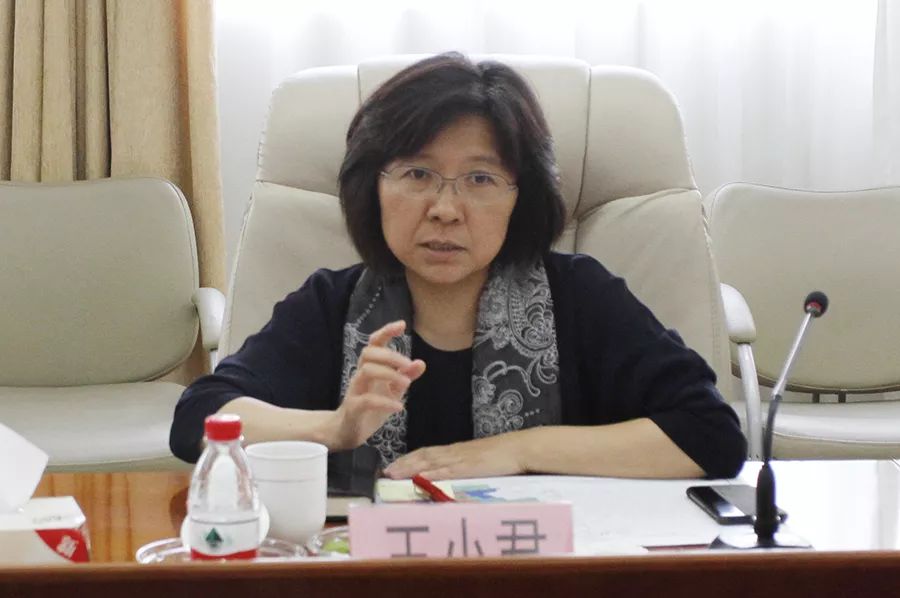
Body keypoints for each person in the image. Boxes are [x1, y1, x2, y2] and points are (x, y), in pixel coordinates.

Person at [170, 52, 746, 480]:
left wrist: (520, 450)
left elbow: (710, 432)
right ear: (373, 188)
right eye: (417, 174)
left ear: (521, 198)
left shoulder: (581, 296)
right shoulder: (333, 305)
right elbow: (199, 417)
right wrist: (335, 428)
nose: (445, 209)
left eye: (480, 179)